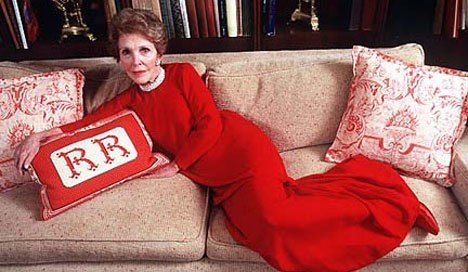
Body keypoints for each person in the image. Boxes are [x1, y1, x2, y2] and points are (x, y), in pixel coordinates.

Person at [14, 8, 439, 272]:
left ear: (158, 51)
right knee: (258, 229)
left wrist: (176, 165)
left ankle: (392, 201)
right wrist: (39, 135)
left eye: (143, 50)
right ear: (119, 59)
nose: (136, 60)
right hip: (214, 175)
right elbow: (86, 124)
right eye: (127, 52)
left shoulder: (182, 75)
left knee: (277, 217)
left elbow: (209, 127)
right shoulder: (128, 101)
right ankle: (362, 193)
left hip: (240, 151)